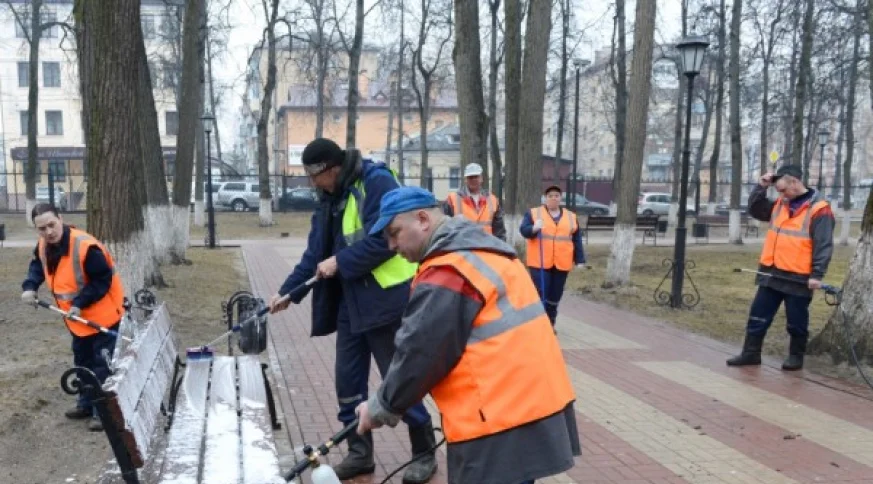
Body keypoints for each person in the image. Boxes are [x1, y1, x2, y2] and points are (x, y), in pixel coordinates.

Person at [356, 186, 581, 484]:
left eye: (394, 233)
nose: (391, 245)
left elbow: (419, 353)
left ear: (423, 219)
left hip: (498, 420)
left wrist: (381, 407)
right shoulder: (487, 252)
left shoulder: (449, 270)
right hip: (532, 403)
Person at [267, 138, 437, 482]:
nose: (313, 183)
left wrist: (341, 261)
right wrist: (288, 292)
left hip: (385, 301)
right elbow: (315, 255)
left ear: (331, 169)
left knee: (399, 379)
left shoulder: (376, 182)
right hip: (350, 304)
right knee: (347, 381)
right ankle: (360, 454)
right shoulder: (329, 198)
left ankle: (424, 452)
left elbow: (388, 241)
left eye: (315, 176)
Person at [20, 203, 125, 432]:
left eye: (52, 225)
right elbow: (37, 266)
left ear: (61, 219)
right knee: (82, 362)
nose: (48, 232)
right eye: (42, 228)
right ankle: (86, 404)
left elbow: (102, 280)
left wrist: (79, 303)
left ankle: (103, 413)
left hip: (103, 317)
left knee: (101, 366)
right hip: (76, 320)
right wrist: (30, 286)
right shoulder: (43, 245)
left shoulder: (85, 247)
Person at [727, 164, 835, 371]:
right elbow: (755, 209)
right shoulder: (780, 204)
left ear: (794, 182)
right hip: (771, 272)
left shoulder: (820, 210)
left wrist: (817, 274)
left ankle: (796, 356)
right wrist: (761, 187)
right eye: (778, 191)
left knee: (796, 321)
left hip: (798, 276)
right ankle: (751, 353)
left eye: (783, 190)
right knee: (758, 315)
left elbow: (823, 245)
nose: (781, 195)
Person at [519, 185, 586, 328]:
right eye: (550, 196)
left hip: (562, 262)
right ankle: (538, 324)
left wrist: (580, 259)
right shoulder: (534, 213)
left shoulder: (571, 216)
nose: (553, 198)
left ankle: (550, 323)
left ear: (560, 198)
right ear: (545, 198)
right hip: (540, 262)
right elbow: (524, 230)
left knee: (555, 295)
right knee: (541, 293)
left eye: (556, 196)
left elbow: (576, 239)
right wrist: (534, 228)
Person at [443, 162, 506, 240]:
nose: (473, 179)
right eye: (470, 177)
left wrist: (500, 246)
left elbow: (499, 231)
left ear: (481, 178)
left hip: (487, 245)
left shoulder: (492, 200)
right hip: (462, 246)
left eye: (476, 176)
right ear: (465, 179)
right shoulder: (452, 199)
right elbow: (445, 228)